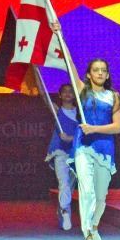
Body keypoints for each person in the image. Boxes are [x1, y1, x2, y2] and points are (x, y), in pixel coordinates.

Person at [73, 58, 120, 240]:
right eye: (96, 70)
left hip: (104, 148)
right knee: (86, 191)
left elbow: (117, 127)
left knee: (101, 196)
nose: (100, 73)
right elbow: (70, 62)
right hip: (83, 148)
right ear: (89, 74)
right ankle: (87, 235)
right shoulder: (81, 92)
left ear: (108, 75)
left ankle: (94, 227)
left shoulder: (114, 97)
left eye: (103, 70)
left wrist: (93, 129)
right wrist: (57, 31)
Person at [44, 82, 79, 231]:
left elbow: (84, 134)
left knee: (70, 187)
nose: (67, 94)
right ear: (60, 95)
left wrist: (70, 138)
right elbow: (44, 97)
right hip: (60, 153)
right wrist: (34, 74)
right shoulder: (58, 111)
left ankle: (63, 209)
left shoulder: (81, 113)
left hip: (76, 154)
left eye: (71, 91)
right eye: (64, 91)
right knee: (63, 183)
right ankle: (65, 212)